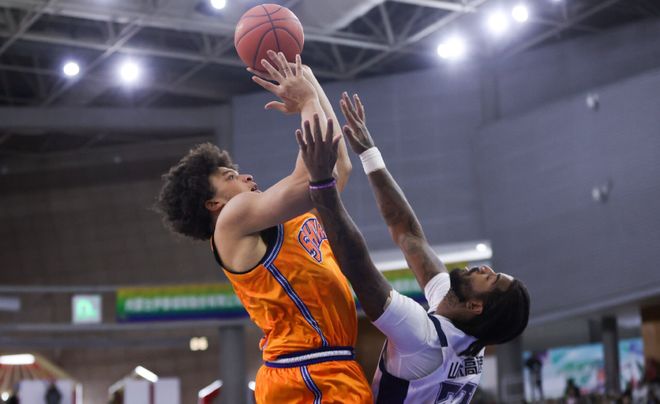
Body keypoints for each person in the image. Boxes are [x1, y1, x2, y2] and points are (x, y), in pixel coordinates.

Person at [156, 52, 372, 403]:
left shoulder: (291, 218)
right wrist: (305, 100)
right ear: (213, 203)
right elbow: (311, 176)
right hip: (303, 371)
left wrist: (307, 78)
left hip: (330, 365)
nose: (246, 176)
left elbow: (337, 168)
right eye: (230, 176)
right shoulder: (231, 221)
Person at [295, 91, 531, 403]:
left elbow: (360, 270)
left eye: (491, 278)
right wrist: (369, 154)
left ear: (476, 306)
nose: (486, 268)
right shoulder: (465, 329)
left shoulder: (423, 339)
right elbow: (408, 235)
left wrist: (323, 184)